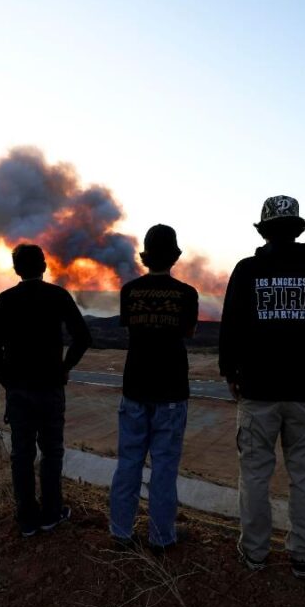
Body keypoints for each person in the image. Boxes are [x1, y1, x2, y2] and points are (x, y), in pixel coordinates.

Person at [219, 195, 305, 577]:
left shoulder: (246, 271)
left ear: (264, 231)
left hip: (257, 393)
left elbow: (230, 329)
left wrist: (231, 374)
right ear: (298, 230)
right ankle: (302, 557)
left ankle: (256, 554)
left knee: (255, 475)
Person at [0, 244, 92, 537]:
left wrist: (7, 380)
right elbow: (83, 337)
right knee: (52, 452)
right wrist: (65, 367)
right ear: (44, 266)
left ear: (16, 269)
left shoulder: (5, 300)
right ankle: (52, 512)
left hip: (19, 391)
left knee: (21, 454)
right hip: (50, 388)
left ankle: (26, 518)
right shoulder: (57, 296)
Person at [109, 225, 199, 551]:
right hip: (172, 391)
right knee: (163, 468)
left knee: (128, 463)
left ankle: (120, 532)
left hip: (134, 388)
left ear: (146, 257)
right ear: (174, 256)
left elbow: (131, 329)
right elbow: (188, 333)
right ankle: (161, 538)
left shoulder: (130, 291)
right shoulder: (187, 294)